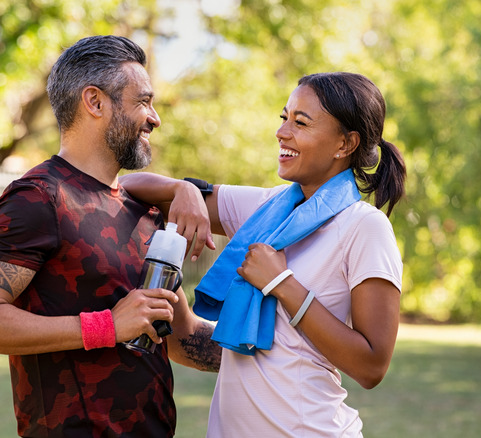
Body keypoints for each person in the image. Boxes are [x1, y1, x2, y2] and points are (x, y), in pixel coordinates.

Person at [0, 35, 221, 438]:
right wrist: (108, 325)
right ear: (95, 102)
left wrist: (287, 336)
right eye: (143, 101)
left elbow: (181, 338)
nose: (155, 117)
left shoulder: (140, 208)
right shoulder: (38, 198)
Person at [121, 71, 406, 437]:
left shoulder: (363, 227)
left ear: (345, 143)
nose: (282, 132)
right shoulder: (267, 207)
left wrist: (281, 283)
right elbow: (129, 187)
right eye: (284, 118)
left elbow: (372, 366)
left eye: (300, 123)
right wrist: (183, 190)